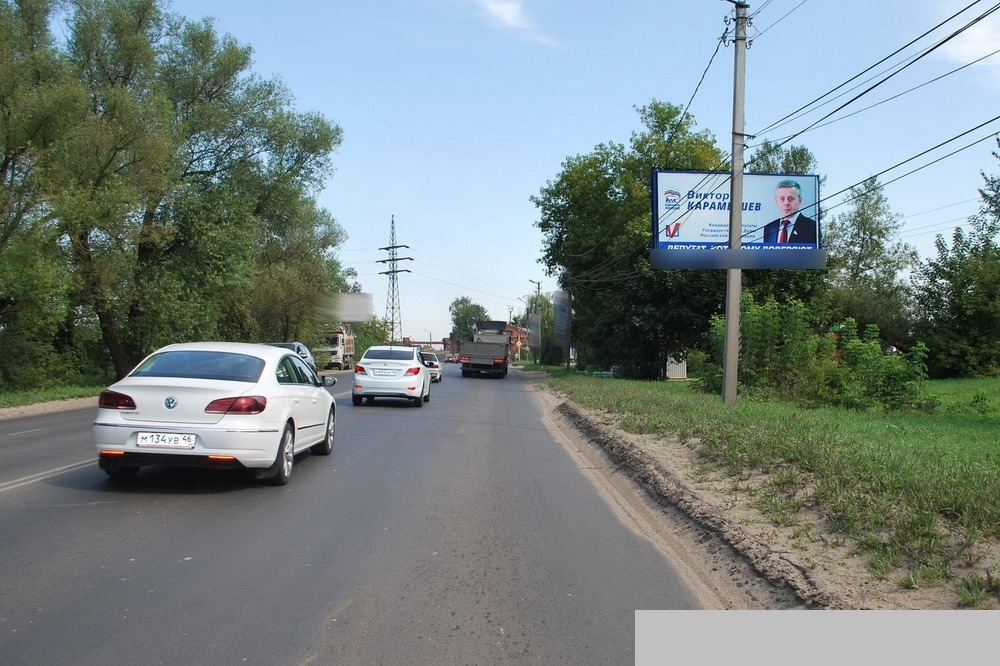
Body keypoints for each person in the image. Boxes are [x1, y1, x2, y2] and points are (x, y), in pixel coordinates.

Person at [762, 179, 817, 244]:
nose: (786, 203)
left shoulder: (813, 227)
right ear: (776, 201)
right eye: (782, 199)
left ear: (800, 200)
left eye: (791, 199)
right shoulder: (769, 228)